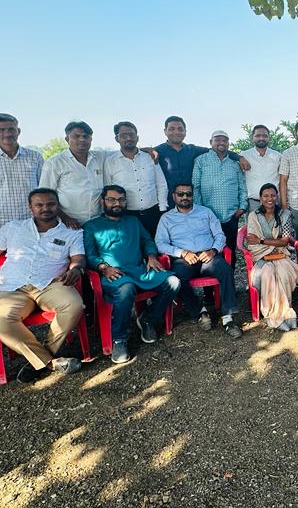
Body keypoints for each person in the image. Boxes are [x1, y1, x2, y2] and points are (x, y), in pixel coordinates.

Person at [0, 188, 86, 383]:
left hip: (50, 284)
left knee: (74, 305)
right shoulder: (13, 228)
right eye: (39, 205)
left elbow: (78, 258)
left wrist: (76, 269)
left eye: (50, 204)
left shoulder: (71, 232)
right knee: (0, 320)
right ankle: (50, 362)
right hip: (12, 287)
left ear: (58, 206)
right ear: (30, 207)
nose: (45, 208)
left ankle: (41, 358)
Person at [84, 185, 181, 363]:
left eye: (121, 199)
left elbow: (147, 240)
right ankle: (119, 340)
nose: (117, 203)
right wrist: (103, 267)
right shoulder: (91, 226)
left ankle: (147, 319)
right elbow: (90, 256)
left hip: (140, 271)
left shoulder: (133, 221)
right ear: (103, 201)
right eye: (112, 199)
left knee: (173, 282)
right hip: (114, 275)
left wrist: (151, 256)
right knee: (126, 288)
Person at [155, 183, 243, 339]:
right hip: (184, 259)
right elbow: (160, 244)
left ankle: (228, 318)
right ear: (174, 196)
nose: (185, 197)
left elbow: (220, 235)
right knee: (176, 277)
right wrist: (182, 253)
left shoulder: (205, 212)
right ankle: (200, 312)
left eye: (188, 194)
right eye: (180, 194)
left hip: (208, 256)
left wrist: (213, 251)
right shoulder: (166, 218)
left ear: (192, 195)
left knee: (225, 270)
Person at [0, 113, 44, 238]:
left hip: (31, 221)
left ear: (18, 131)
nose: (7, 134)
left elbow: (42, 188)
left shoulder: (35, 157)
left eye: (11, 129)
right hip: (0, 224)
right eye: (1, 130)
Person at [153, 116, 244, 209]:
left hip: (189, 203)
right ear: (165, 131)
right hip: (165, 204)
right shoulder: (156, 152)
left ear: (185, 132)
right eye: (172, 129)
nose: (176, 132)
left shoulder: (193, 150)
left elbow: (217, 150)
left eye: (180, 129)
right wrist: (148, 150)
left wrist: (239, 158)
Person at [244, 184, 298, 331]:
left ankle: (284, 312)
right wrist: (271, 245)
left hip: (281, 255)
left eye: (272, 195)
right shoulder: (253, 216)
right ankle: (275, 316)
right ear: (260, 199)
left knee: (283, 273)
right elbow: (252, 242)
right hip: (262, 257)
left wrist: (262, 241)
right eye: (265, 196)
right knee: (268, 274)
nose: (269, 199)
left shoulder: (285, 215)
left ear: (277, 197)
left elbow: (284, 241)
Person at [103, 121, 170, 237]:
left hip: (153, 213)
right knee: (133, 245)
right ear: (117, 139)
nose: (129, 138)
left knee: (155, 244)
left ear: (137, 137)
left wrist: (162, 209)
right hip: (126, 215)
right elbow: (108, 189)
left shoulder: (150, 157)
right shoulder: (110, 161)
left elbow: (161, 184)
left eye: (132, 134)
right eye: (124, 135)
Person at [40, 121, 105, 227]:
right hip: (69, 224)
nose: (82, 140)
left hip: (97, 221)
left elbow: (121, 154)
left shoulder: (100, 158)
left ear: (91, 139)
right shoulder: (55, 163)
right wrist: (65, 218)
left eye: (86, 136)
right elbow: (45, 195)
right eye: (77, 136)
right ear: (67, 139)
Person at [192, 130, 247, 254]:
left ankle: (230, 267)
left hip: (232, 215)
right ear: (210, 142)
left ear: (228, 144)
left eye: (224, 140)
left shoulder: (235, 164)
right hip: (208, 216)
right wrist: (200, 211)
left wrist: (242, 207)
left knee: (230, 249)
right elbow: (196, 187)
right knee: (211, 250)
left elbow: (242, 187)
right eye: (217, 140)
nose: (221, 143)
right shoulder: (201, 160)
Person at [240, 125, 282, 211]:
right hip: (253, 203)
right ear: (252, 137)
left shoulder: (278, 156)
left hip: (274, 203)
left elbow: (283, 179)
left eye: (265, 136)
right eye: (258, 135)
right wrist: (239, 158)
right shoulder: (244, 155)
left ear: (269, 138)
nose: (261, 138)